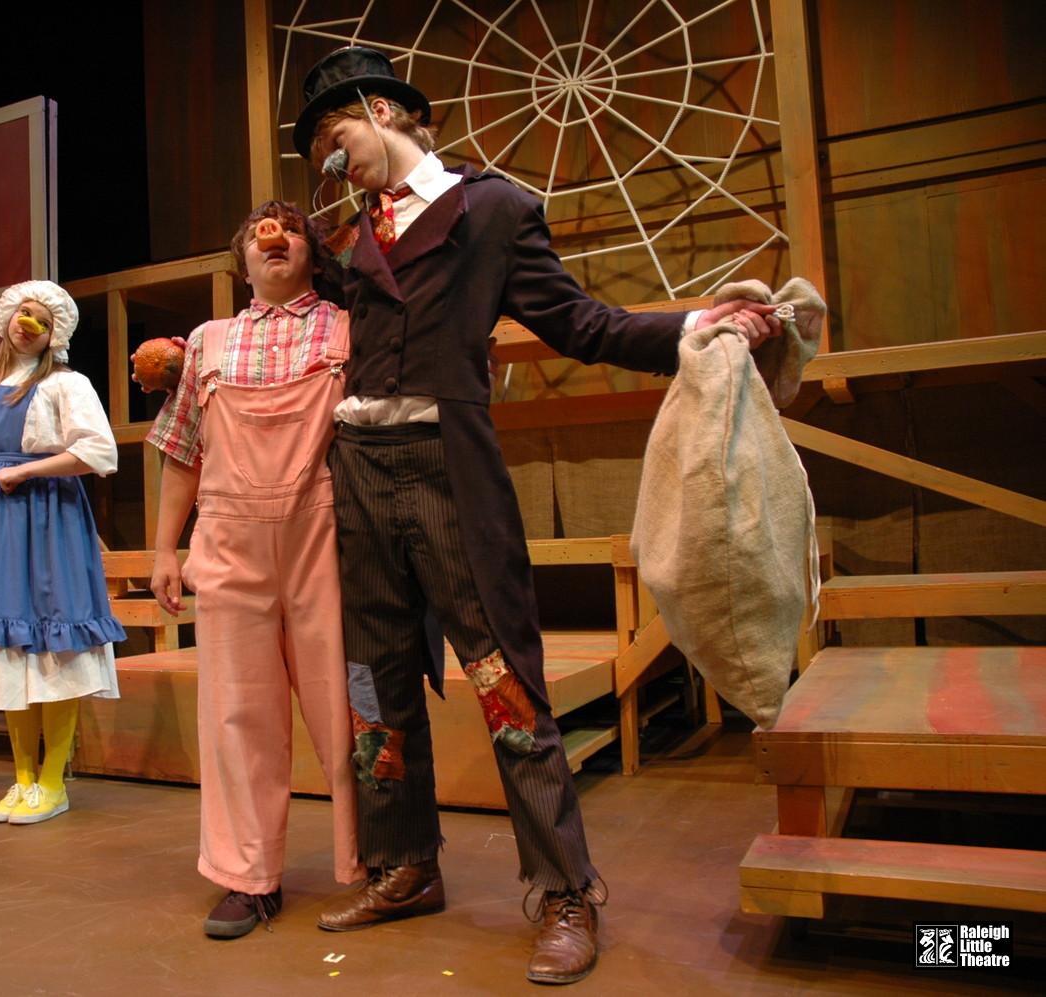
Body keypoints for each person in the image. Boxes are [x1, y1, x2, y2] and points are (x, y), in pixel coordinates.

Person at [295, 47, 782, 985]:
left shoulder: (493, 209)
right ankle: (404, 864)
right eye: (319, 150)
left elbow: (579, 323)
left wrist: (693, 328)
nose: (332, 159)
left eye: (335, 134)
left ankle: (565, 890)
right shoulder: (354, 237)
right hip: (358, 472)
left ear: (383, 111)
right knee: (372, 681)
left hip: (445, 469)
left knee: (503, 679)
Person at [144, 202, 364, 939]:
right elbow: (183, 451)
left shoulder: (347, 328)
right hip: (229, 542)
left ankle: (371, 862)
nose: (275, 238)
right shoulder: (207, 343)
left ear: (312, 253)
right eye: (260, 232)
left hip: (322, 537)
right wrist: (165, 549)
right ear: (241, 260)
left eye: (291, 229)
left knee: (344, 706)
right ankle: (247, 876)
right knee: (237, 715)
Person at [0, 280, 124, 826]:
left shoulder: (66, 384)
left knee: (52, 643)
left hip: (47, 516)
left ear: (53, 334)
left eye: (42, 319)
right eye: (23, 313)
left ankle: (53, 780)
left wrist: (28, 470)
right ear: (7, 319)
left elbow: (97, 451)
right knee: (10, 647)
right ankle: (22, 779)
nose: (28, 324)